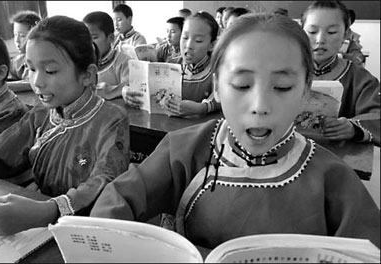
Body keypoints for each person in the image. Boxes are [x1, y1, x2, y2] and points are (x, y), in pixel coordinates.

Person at [90, 13, 380, 250]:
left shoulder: (332, 177)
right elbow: (118, 200)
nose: (260, 106)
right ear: (217, 86)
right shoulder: (186, 149)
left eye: (281, 87)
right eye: (242, 86)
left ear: (306, 89)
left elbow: (367, 249)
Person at [0, 16, 130, 236]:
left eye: (50, 71)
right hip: (38, 213)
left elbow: (104, 182)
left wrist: (50, 209)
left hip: (84, 229)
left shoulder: (111, 119)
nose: (37, 82)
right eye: (30, 69)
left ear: (87, 75)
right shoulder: (42, 112)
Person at [301, 0, 380, 146]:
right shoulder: (283, 72)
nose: (320, 40)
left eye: (331, 32)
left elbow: (376, 115)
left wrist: (353, 128)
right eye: (312, 32)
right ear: (301, 32)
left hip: (339, 158)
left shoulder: (361, 79)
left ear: (346, 34)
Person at [122, 11, 220, 117]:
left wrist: (201, 108)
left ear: (212, 45)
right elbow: (137, 86)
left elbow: (222, 97)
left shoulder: (217, 70)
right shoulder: (171, 64)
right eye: (185, 38)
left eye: (198, 40)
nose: (188, 45)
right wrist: (126, 92)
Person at [83, 11, 131, 100]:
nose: (89, 43)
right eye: (85, 38)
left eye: (94, 38)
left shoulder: (123, 61)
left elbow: (128, 89)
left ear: (110, 38)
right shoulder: (82, 64)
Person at [7, 10, 41, 92]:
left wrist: (1, 88)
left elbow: (31, 83)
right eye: (15, 35)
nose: (17, 40)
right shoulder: (18, 60)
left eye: (22, 36)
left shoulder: (40, 59)